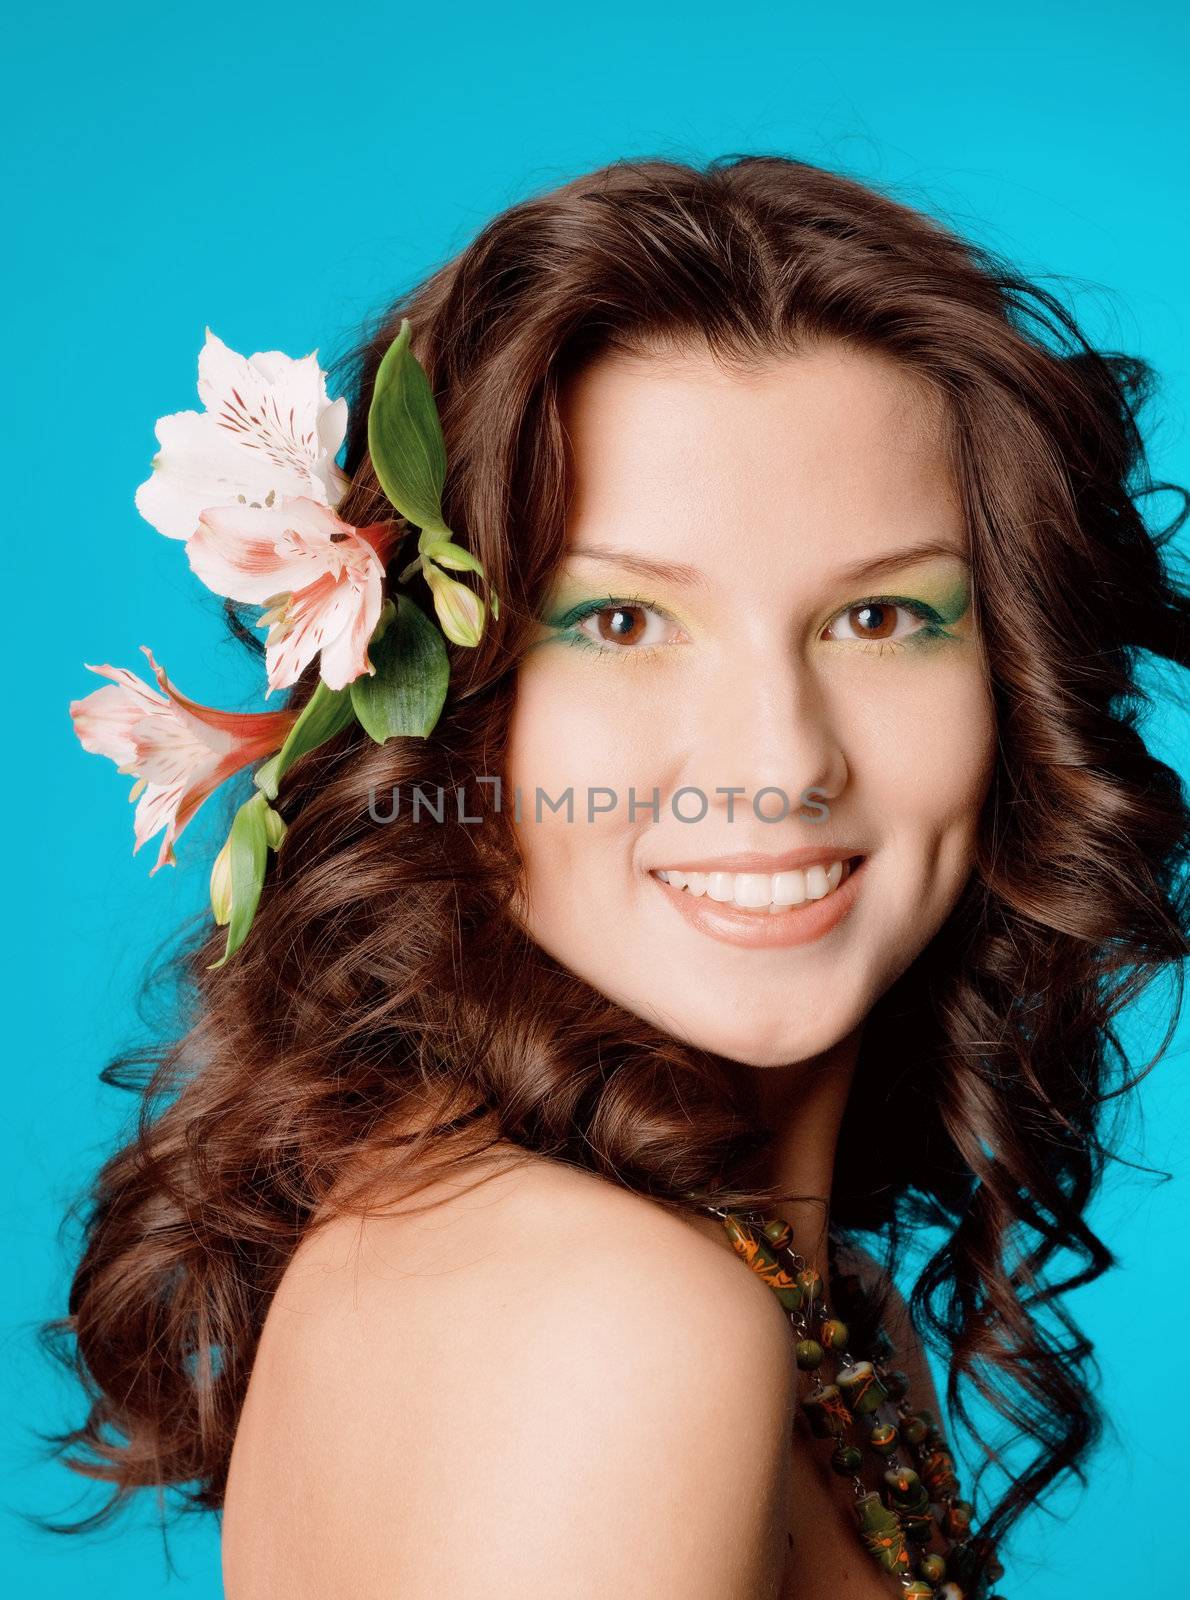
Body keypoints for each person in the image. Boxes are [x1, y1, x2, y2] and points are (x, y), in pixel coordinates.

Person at [44, 154, 1190, 1598]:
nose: (778, 762)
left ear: (1014, 688)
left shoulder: (791, 1306)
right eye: (624, 621)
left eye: (881, 615)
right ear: (446, 700)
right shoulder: (608, 1319)